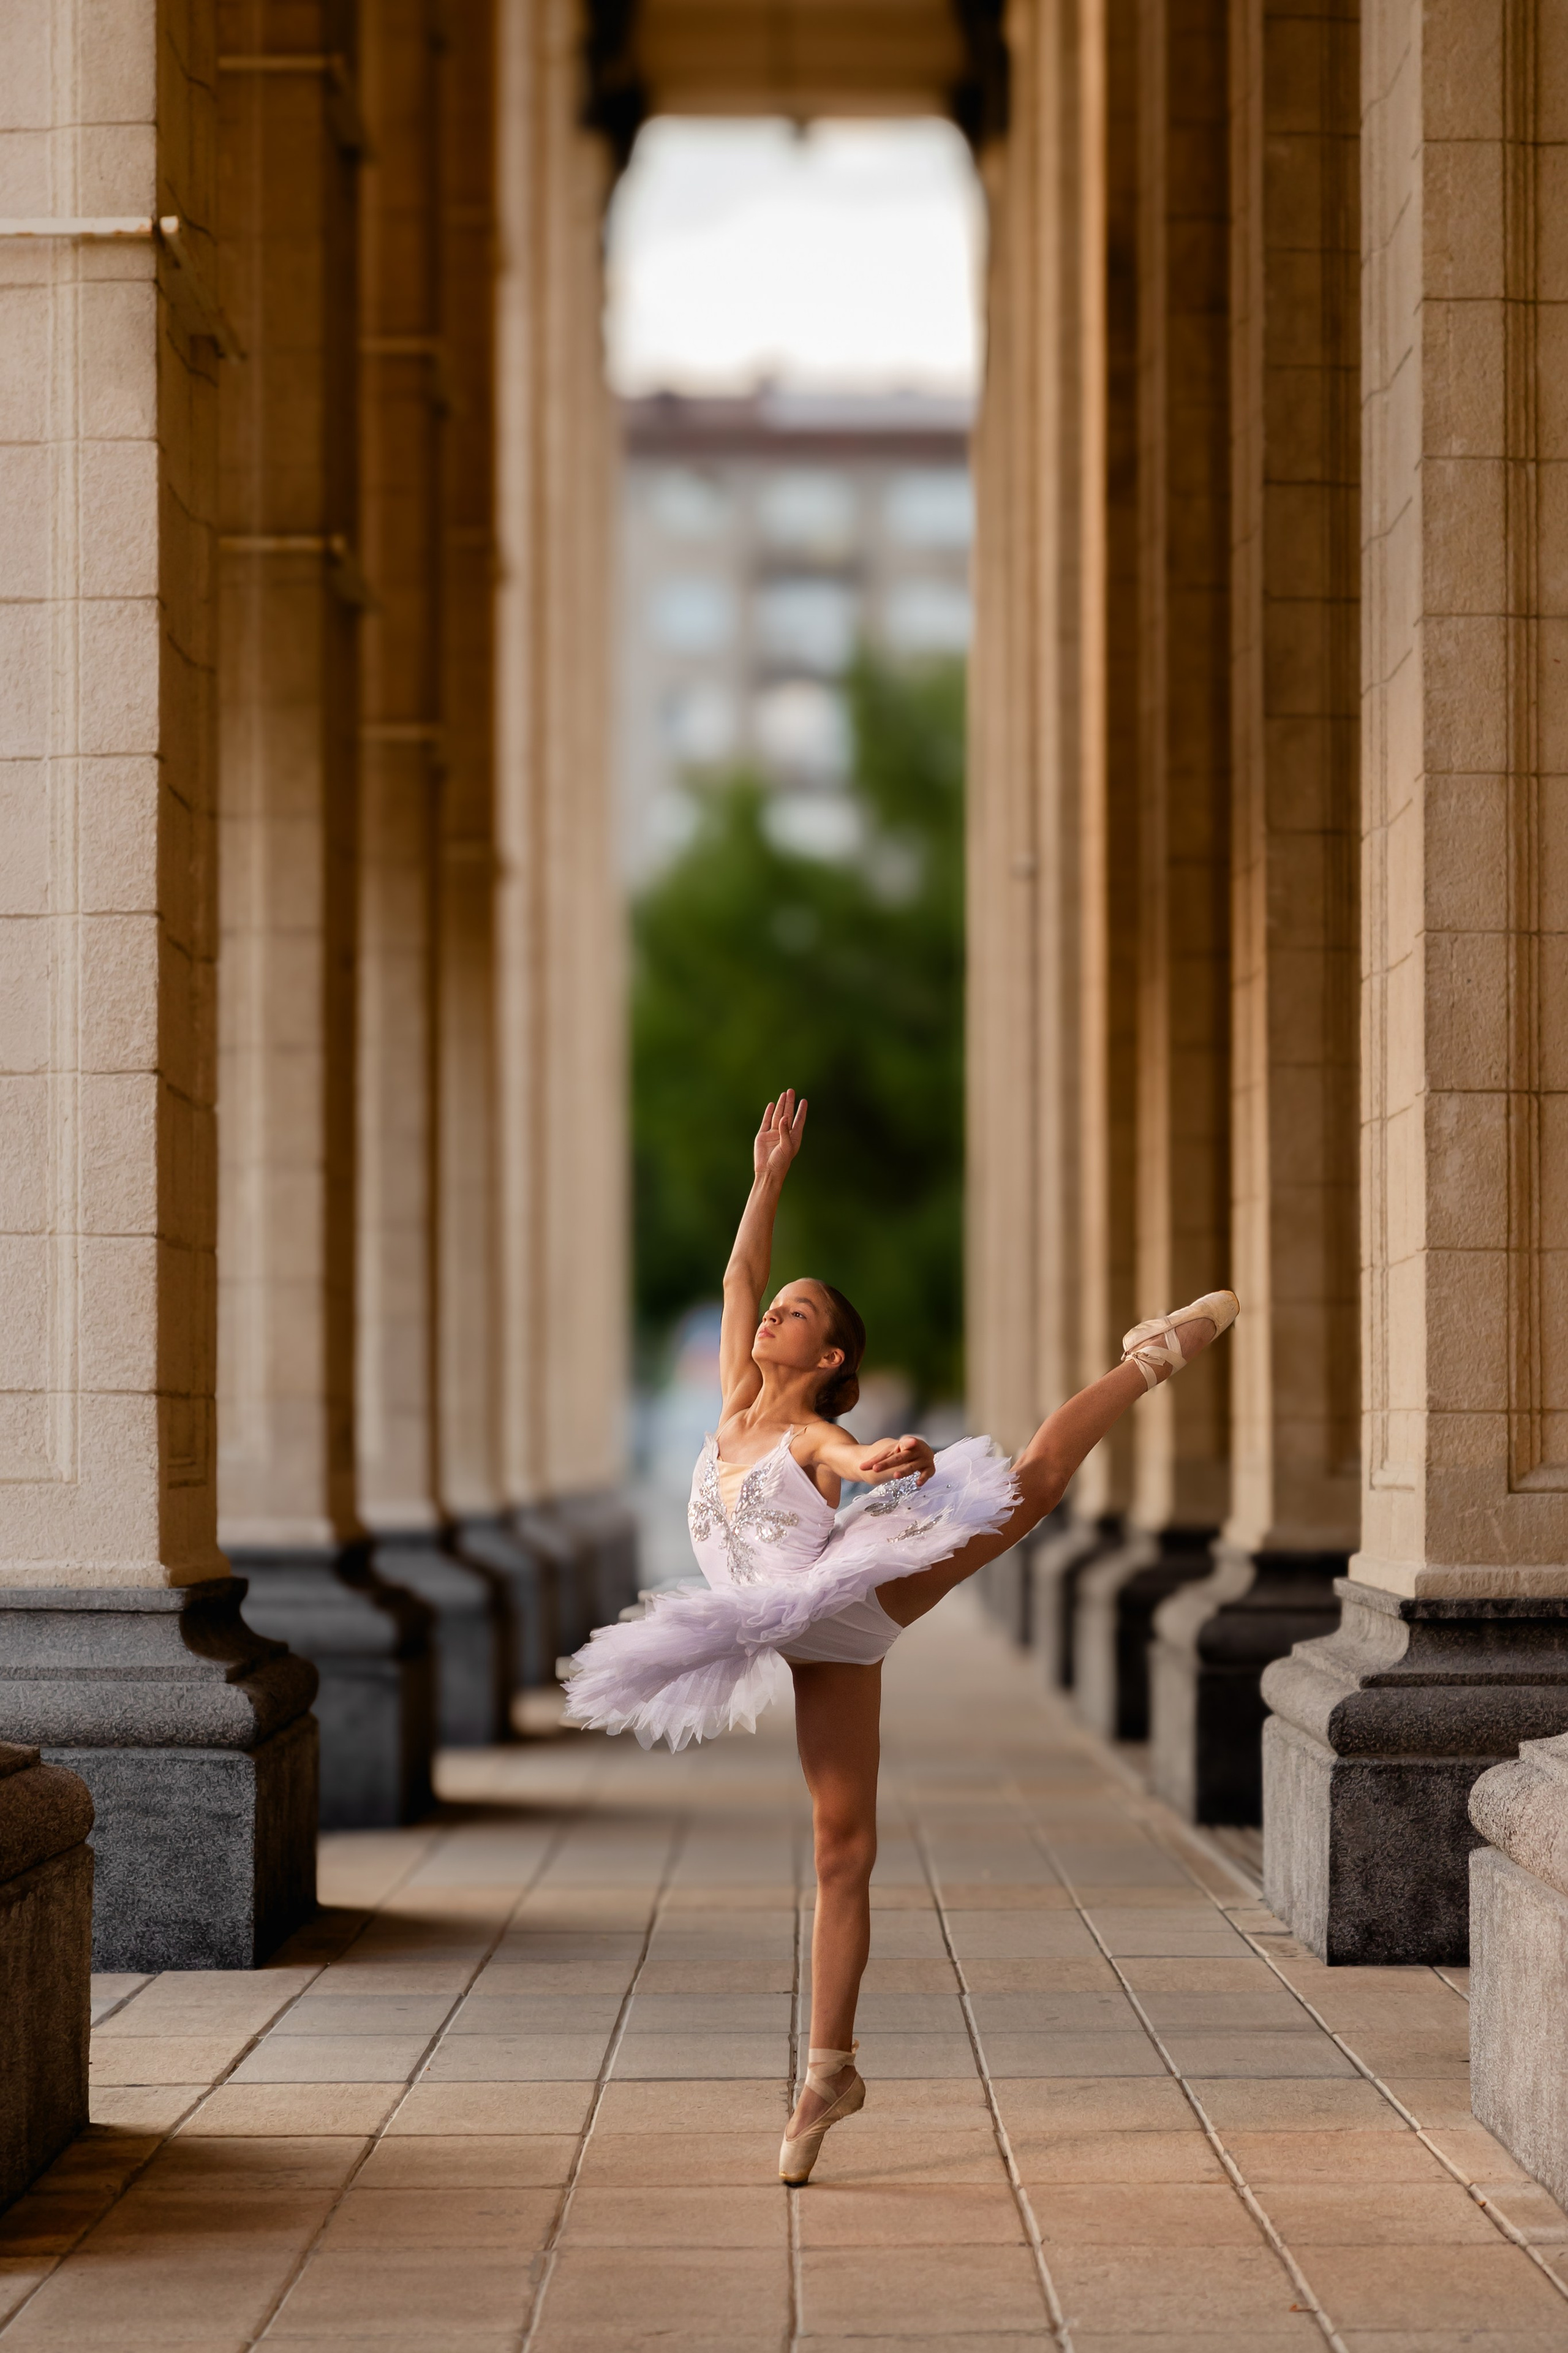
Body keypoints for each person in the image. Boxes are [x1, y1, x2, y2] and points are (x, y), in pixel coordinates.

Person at [563, 1090, 1237, 2185]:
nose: (774, 1313)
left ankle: (1150, 1358)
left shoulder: (810, 1430)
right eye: (779, 1305)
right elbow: (737, 1278)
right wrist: (767, 1179)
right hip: (777, 1621)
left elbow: (844, 1455)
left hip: (842, 1608)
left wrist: (878, 1459)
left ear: (829, 1352)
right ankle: (835, 2072)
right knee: (842, 1850)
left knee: (1032, 1483)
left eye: (797, 1312)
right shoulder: (734, 1402)